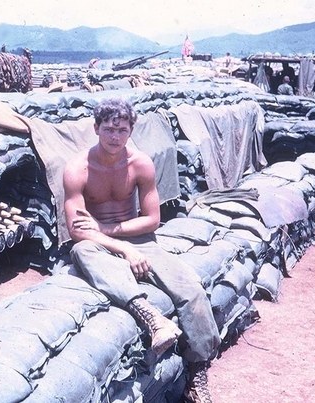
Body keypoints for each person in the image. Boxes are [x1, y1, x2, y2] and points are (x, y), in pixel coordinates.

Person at [63, 98, 220, 403]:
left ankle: (197, 371)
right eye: (108, 129)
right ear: (96, 128)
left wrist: (117, 236)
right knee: (81, 252)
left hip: (135, 238)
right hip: (95, 244)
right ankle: (149, 315)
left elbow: (152, 219)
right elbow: (76, 231)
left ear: (131, 130)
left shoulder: (140, 163)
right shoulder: (76, 168)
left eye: (121, 130)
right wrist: (117, 246)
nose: (114, 137)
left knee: (192, 289)